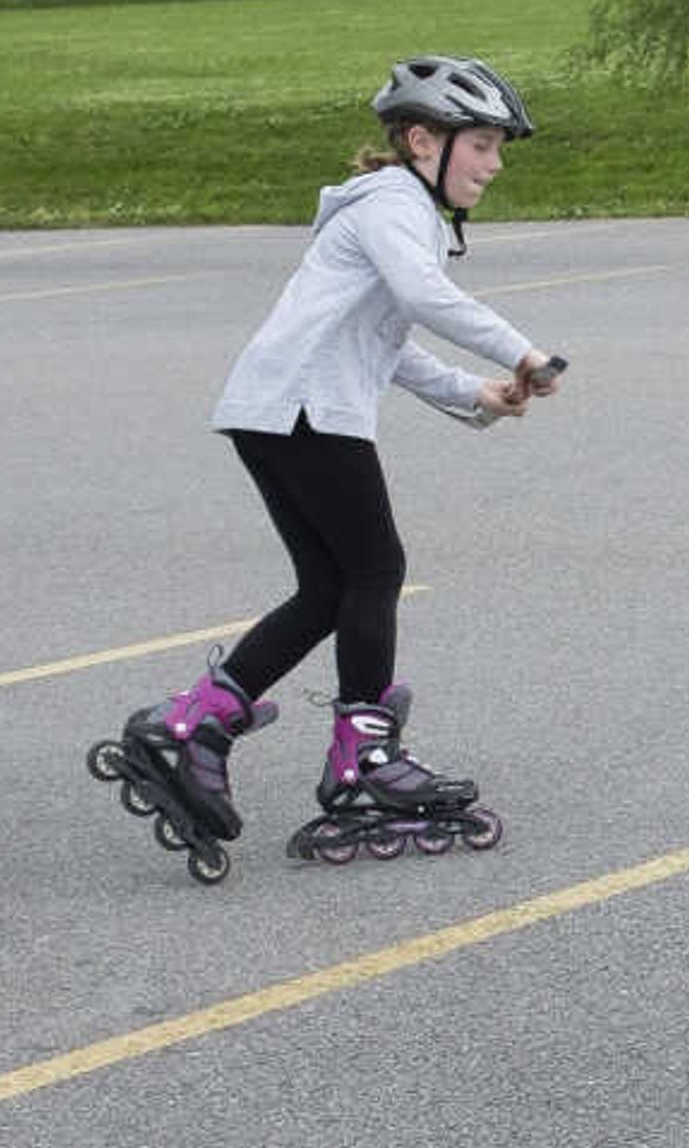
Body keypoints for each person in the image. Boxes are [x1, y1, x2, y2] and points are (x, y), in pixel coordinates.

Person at [91, 55, 564, 881]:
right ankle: (365, 759)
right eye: (483, 144)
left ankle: (192, 726)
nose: (494, 164)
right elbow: (420, 297)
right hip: (304, 412)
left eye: (499, 149)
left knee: (329, 588)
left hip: (282, 410)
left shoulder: (397, 213)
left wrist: (477, 396)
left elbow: (389, 341)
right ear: (423, 139)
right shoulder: (392, 204)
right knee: (377, 569)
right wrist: (523, 350)